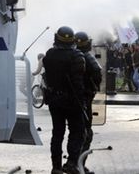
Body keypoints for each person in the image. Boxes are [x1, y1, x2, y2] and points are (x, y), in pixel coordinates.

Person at [43, 26, 86, 174]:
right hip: (72, 101)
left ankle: (56, 167)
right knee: (77, 131)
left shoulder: (49, 54)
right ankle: (72, 163)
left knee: (57, 133)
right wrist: (82, 102)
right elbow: (78, 83)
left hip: (54, 99)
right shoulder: (77, 56)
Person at [75, 31, 102, 174]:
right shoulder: (86, 57)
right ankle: (79, 165)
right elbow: (98, 72)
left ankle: (71, 164)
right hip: (84, 100)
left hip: (69, 100)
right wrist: (92, 88)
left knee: (73, 133)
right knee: (86, 133)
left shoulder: (70, 56)